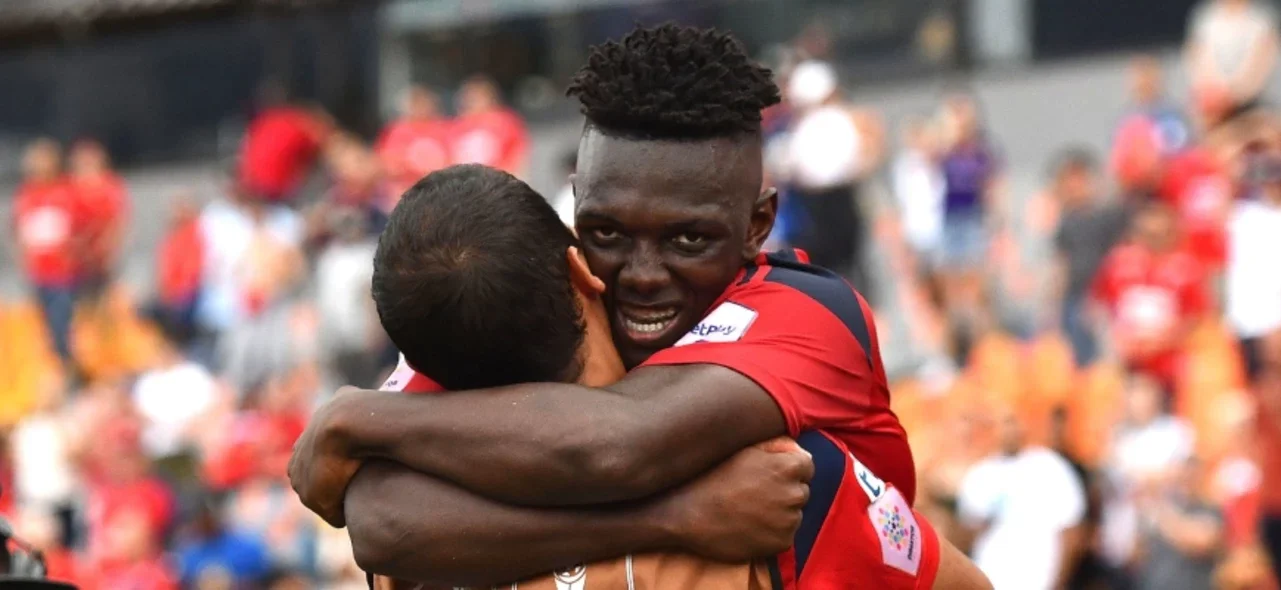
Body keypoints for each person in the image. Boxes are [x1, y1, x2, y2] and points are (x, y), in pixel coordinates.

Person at [292, 23, 941, 586]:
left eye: (689, 239)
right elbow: (383, 522)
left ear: (756, 225)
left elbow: (619, 443)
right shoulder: (528, 310)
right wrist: (675, 518)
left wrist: (360, 419)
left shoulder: (806, 313)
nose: (641, 275)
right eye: (606, 232)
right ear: (575, 210)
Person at [350, 165, 987, 589]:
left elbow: (377, 523)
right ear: (579, 268)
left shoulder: (415, 539)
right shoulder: (778, 482)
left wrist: (353, 420)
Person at [780, 60, 883, 291]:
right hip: (815, 201)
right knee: (830, 263)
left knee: (845, 262)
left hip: (837, 197)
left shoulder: (839, 120)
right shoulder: (807, 125)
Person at [957, 406, 1087, 590]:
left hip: (1038, 580)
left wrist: (1059, 583)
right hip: (991, 580)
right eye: (1002, 424)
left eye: (1012, 422)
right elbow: (966, 536)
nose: (1008, 430)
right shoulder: (980, 474)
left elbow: (1072, 533)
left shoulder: (1050, 467)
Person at [1091, 203, 1212, 398]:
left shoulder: (1186, 269)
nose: (1153, 242)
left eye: (1160, 235)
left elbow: (1198, 317)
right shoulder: (1120, 263)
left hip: (1168, 364)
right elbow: (1097, 304)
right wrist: (1111, 337)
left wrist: (1165, 339)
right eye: (1148, 234)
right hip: (1127, 360)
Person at [1048, 148, 1132, 368]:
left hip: (1099, 298)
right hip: (1073, 296)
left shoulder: (1106, 217)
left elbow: (1116, 258)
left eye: (1079, 180)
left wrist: (1101, 296)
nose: (1074, 187)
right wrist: (1054, 303)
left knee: (1101, 356)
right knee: (1074, 355)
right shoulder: (1066, 221)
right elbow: (1062, 263)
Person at [11, 139, 80, 365]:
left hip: (64, 272)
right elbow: (18, 230)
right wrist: (23, 260)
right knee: (45, 327)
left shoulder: (66, 190)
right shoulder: (25, 194)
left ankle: (69, 365)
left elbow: (80, 225)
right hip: (38, 272)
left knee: (63, 324)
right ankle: (57, 366)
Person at [1185, 0, 1279, 126]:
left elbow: (1260, 66)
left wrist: (1233, 95)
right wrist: (1212, 93)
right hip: (1214, 103)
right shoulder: (1205, 15)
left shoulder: (1262, 18)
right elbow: (1197, 58)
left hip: (1253, 107)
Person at [375, 85, 452, 204]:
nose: (420, 109)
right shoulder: (397, 131)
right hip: (405, 190)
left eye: (423, 103)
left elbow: (451, 160)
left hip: (438, 189)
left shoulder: (443, 129)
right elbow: (388, 164)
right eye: (415, 104)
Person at [450, 75, 529, 177]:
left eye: (475, 97)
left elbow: (516, 156)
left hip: (495, 179)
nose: (469, 102)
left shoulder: (504, 122)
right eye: (467, 97)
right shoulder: (457, 125)